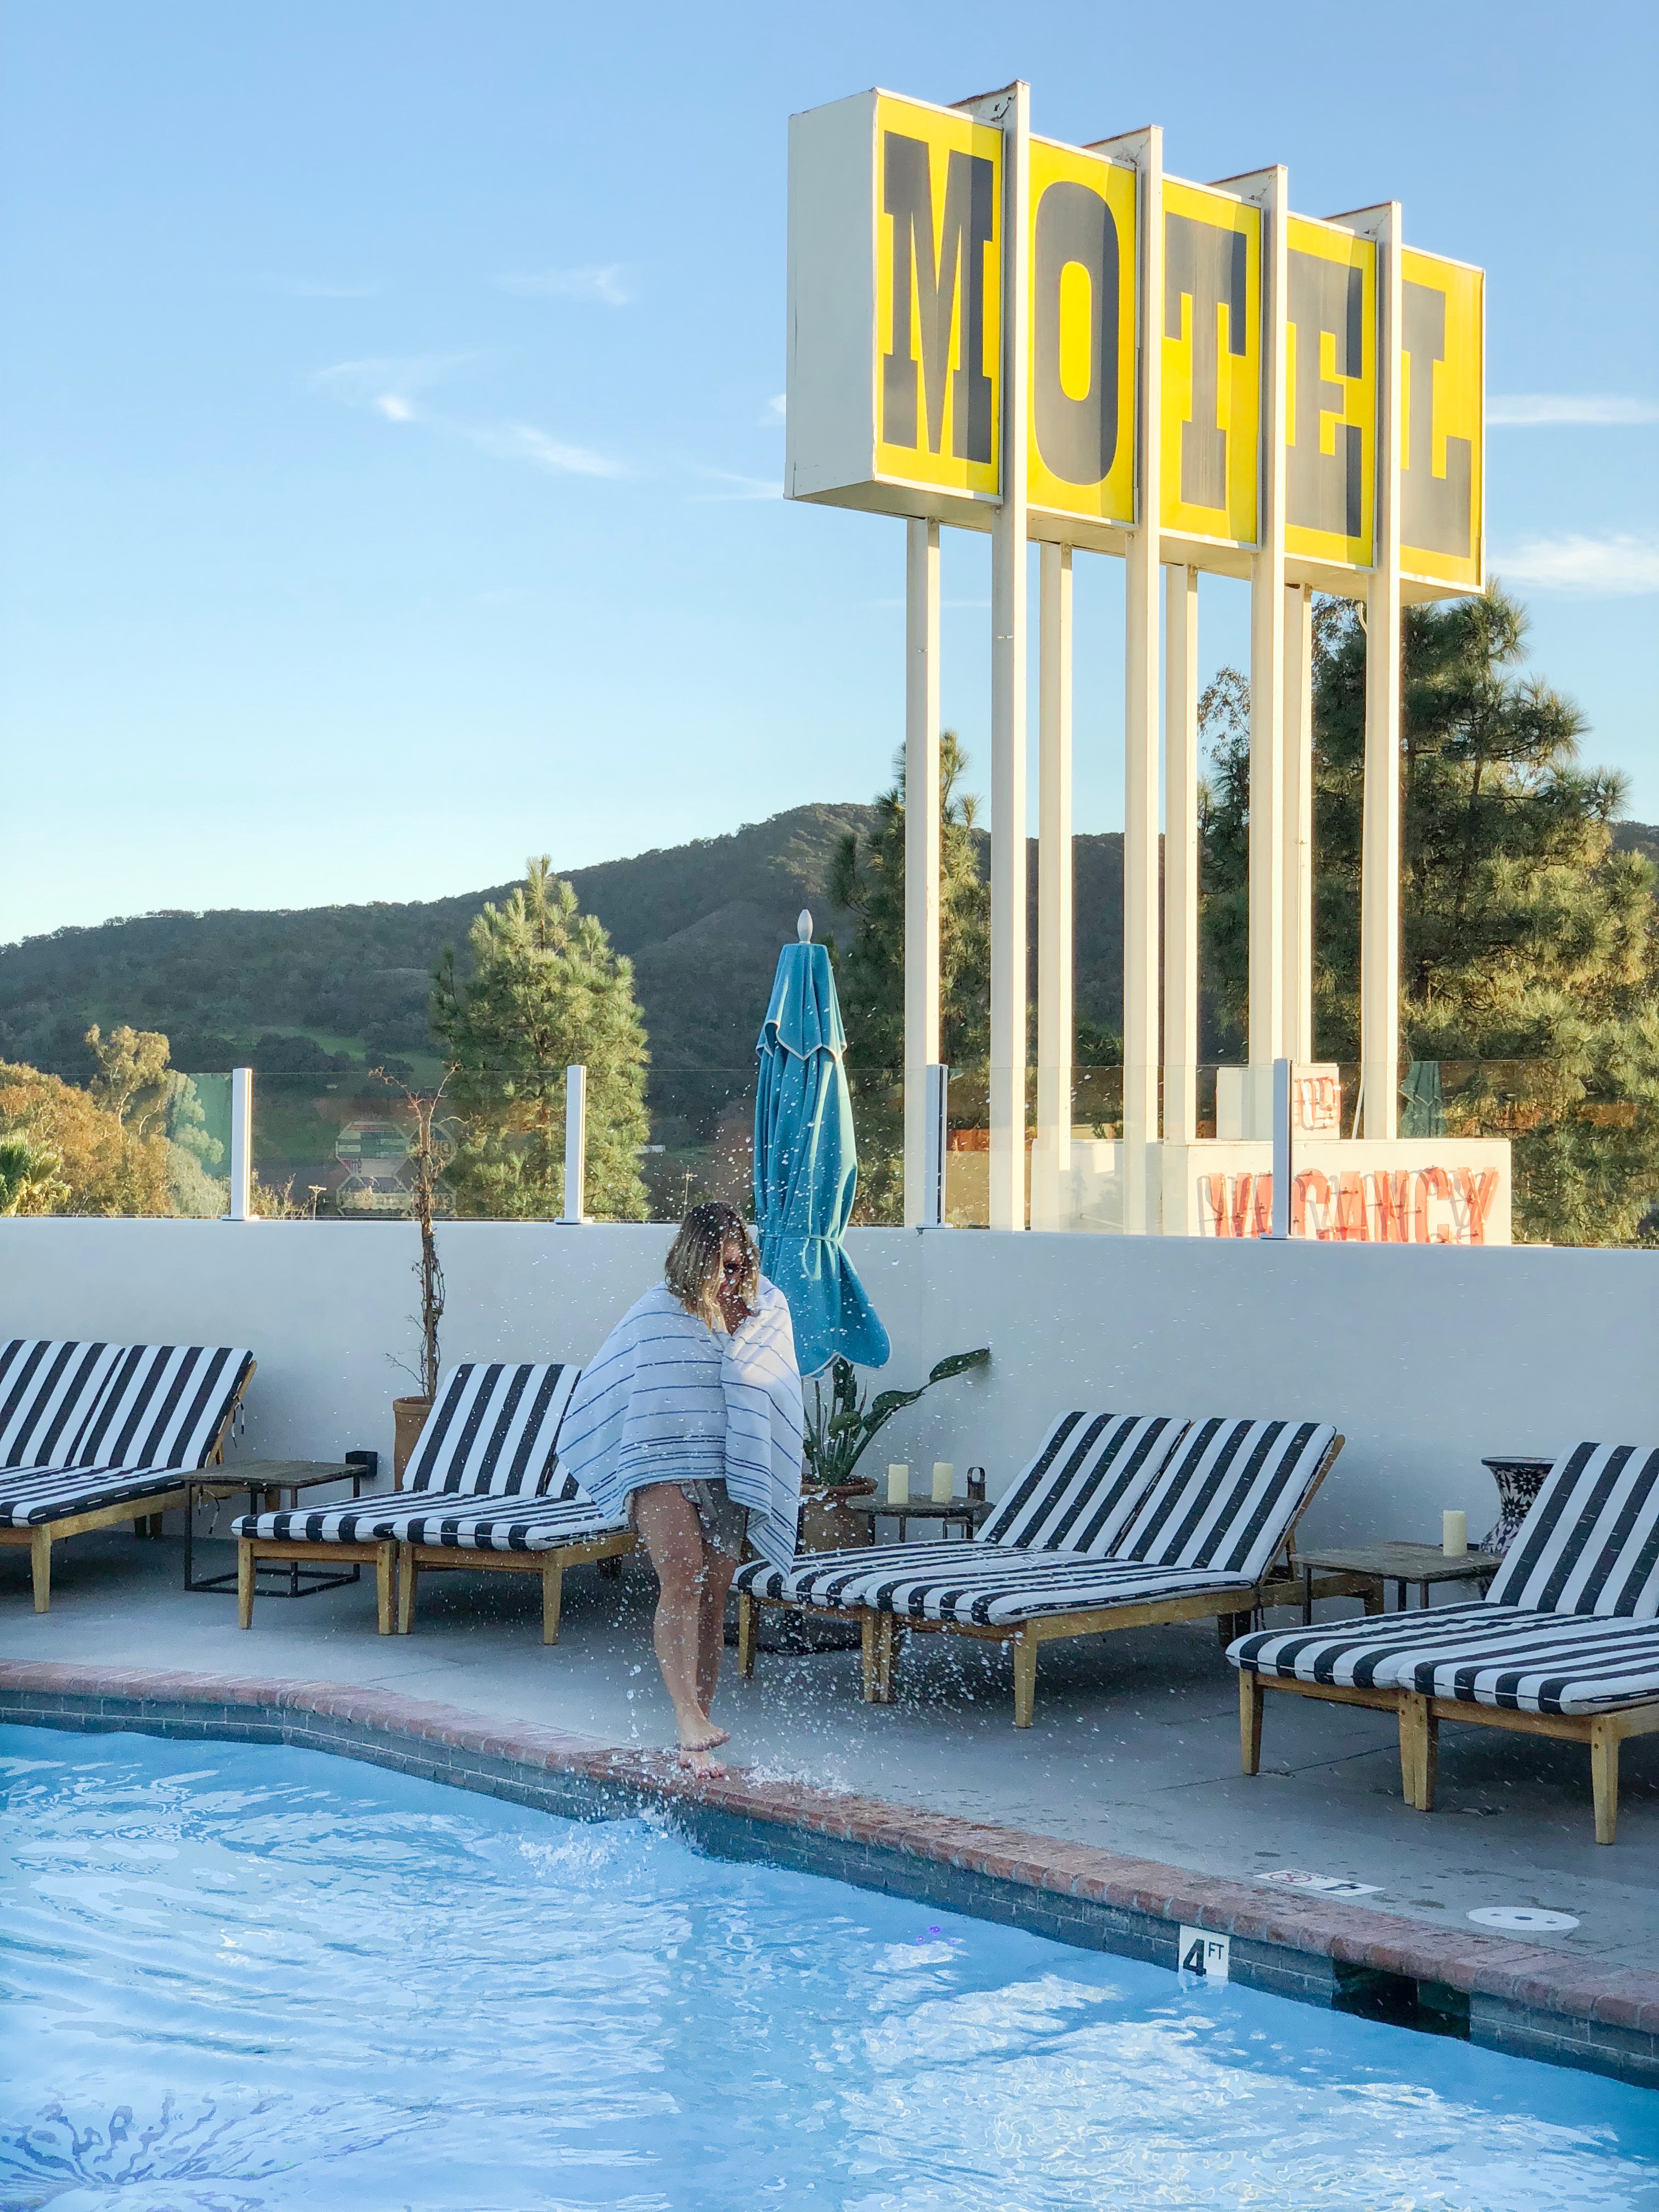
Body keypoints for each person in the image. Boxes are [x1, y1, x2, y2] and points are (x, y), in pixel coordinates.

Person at [557, 1202, 804, 1773]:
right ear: (691, 1260)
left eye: (737, 1265)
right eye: (717, 1265)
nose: (727, 1277)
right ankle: (686, 1717)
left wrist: (745, 1330)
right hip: (660, 1463)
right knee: (684, 1580)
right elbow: (609, 1382)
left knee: (715, 1599)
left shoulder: (766, 1310)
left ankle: (700, 1722)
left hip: (730, 1466)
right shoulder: (655, 1311)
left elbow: (778, 1390)